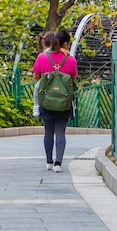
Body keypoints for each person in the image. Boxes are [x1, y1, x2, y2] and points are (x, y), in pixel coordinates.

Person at [32, 28, 77, 173]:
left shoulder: (42, 57)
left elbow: (36, 78)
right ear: (65, 43)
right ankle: (58, 163)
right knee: (60, 132)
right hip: (64, 102)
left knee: (48, 131)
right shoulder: (70, 59)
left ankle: (49, 161)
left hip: (46, 101)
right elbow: (73, 78)